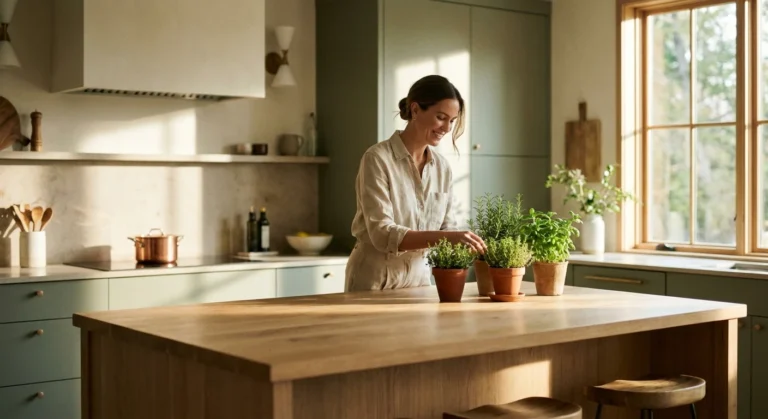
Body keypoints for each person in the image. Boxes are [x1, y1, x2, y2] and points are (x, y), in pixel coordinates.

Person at [345, 75, 487, 291]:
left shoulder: (442, 167)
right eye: (441, 117)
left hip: (420, 281)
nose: (447, 128)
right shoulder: (377, 158)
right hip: (375, 279)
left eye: (452, 120)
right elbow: (382, 233)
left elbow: (446, 228)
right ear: (415, 110)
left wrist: (473, 245)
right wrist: (450, 237)